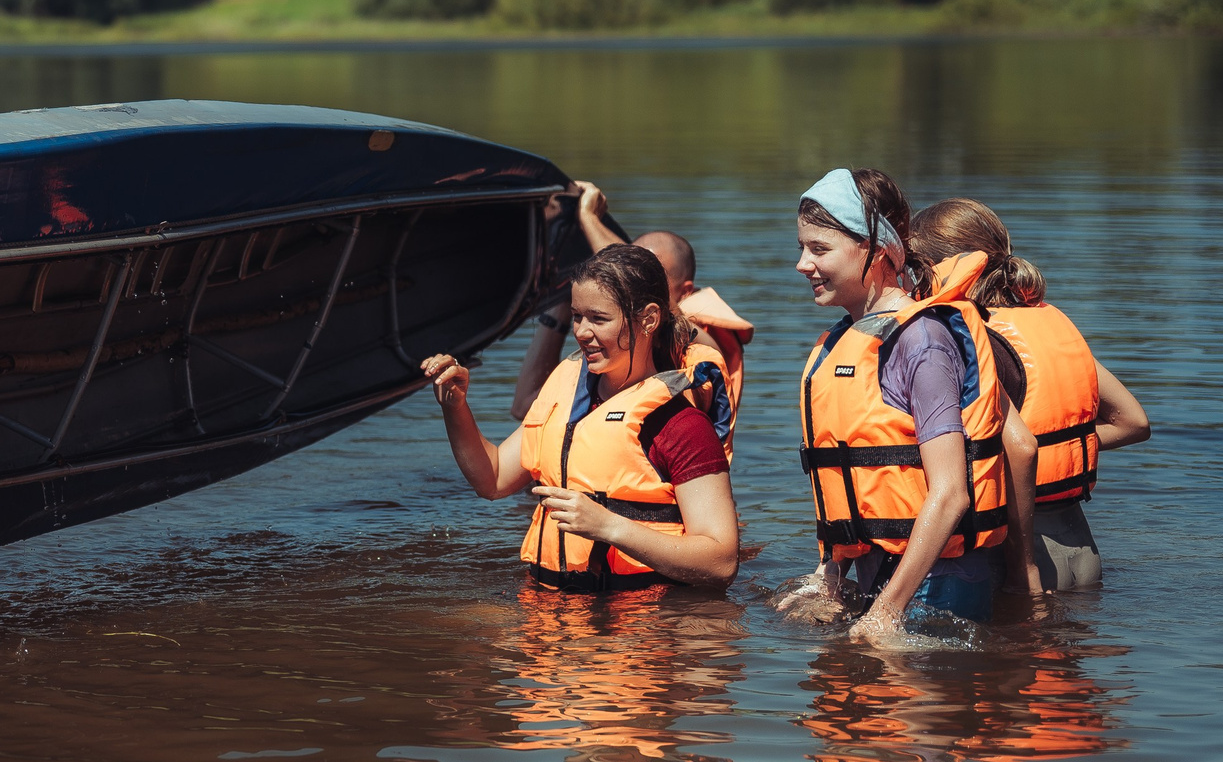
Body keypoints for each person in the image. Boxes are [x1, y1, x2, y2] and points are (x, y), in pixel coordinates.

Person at [779, 169, 1041, 638]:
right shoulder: (845, 341)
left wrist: (886, 611)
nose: (802, 263)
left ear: (878, 251)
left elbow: (950, 493)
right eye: (802, 247)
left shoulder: (923, 341)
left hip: (937, 596)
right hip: (880, 578)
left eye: (819, 249)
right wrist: (830, 583)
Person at [425, 243, 740, 592]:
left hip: (640, 625)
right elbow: (493, 478)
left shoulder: (680, 424)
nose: (581, 332)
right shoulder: (566, 391)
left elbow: (721, 561)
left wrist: (607, 526)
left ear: (649, 319)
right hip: (550, 611)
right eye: (577, 316)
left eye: (599, 318)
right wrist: (455, 407)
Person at [909, 198, 1151, 591]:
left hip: (1023, 562)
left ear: (950, 267)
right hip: (1082, 556)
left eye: (917, 266)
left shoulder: (973, 341)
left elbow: (1021, 446)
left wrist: (1023, 567)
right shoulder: (1045, 325)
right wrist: (1069, 449)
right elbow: (1134, 423)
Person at [510, 185, 752, 456]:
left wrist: (588, 218)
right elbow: (523, 407)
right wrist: (560, 312)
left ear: (684, 291)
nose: (623, 281)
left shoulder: (705, 347)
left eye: (644, 273)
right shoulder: (608, 347)